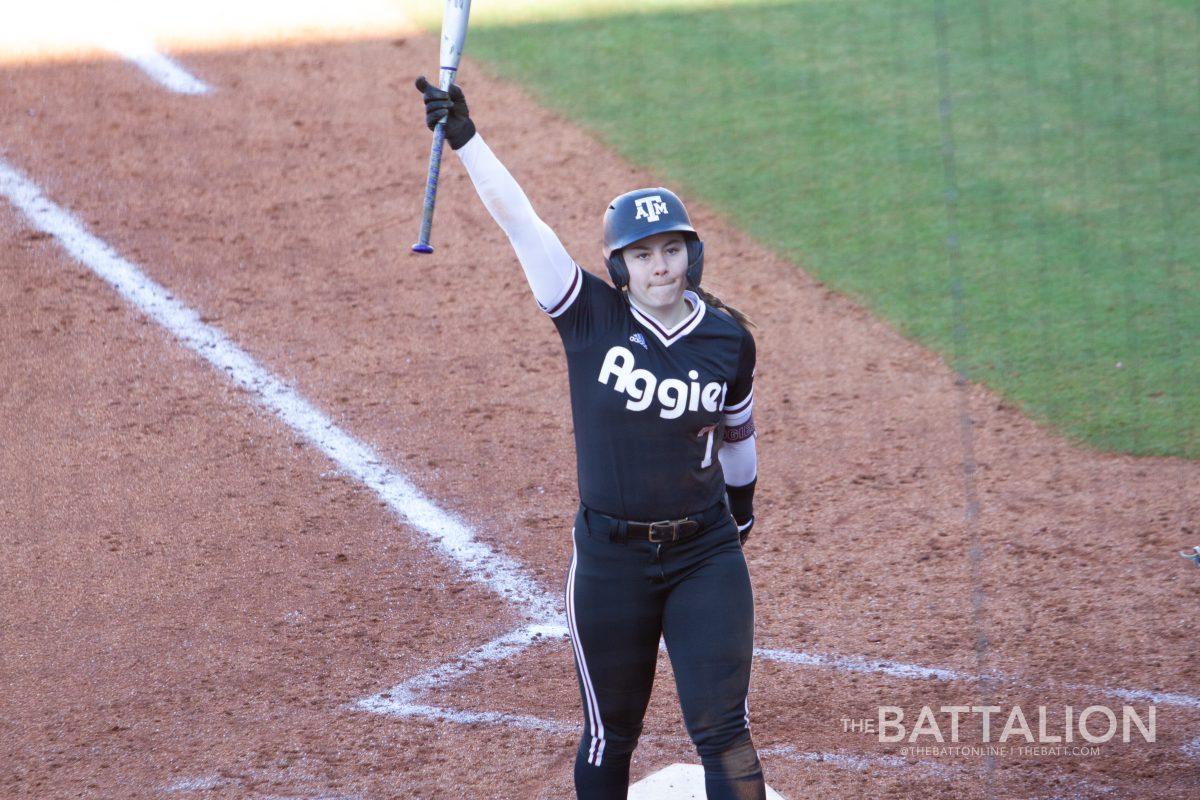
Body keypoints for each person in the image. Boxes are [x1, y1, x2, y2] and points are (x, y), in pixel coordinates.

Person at [415, 77, 765, 800]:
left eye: (672, 250)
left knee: (724, 733)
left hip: (705, 552)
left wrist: (743, 505)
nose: (660, 265)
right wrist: (468, 140)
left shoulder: (729, 338)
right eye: (643, 255)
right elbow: (524, 224)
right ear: (619, 267)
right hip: (610, 561)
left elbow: (737, 432)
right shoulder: (589, 318)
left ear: (691, 256)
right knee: (611, 736)